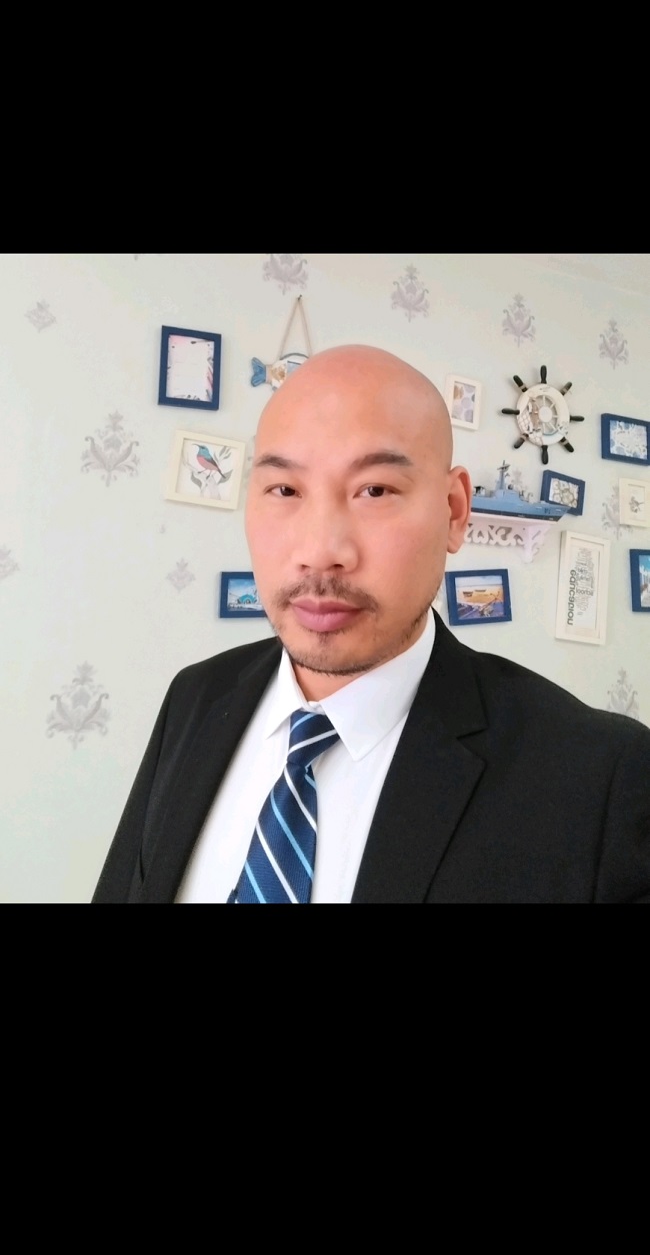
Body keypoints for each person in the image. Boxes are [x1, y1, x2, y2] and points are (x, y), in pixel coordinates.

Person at [92, 345, 650, 903]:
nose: (320, 552)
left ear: (454, 512)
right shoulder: (195, 697)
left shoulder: (600, 777)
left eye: (375, 491)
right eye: (284, 490)